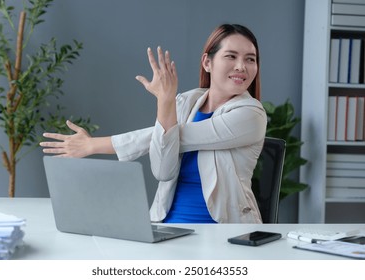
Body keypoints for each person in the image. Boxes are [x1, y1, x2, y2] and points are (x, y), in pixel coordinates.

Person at [40, 23, 267, 224]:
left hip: (223, 233)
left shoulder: (251, 114)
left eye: (250, 59)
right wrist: (167, 101)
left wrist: (94, 145)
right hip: (168, 225)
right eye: (231, 56)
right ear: (207, 62)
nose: (241, 66)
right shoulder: (185, 102)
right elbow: (162, 171)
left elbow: (177, 136)